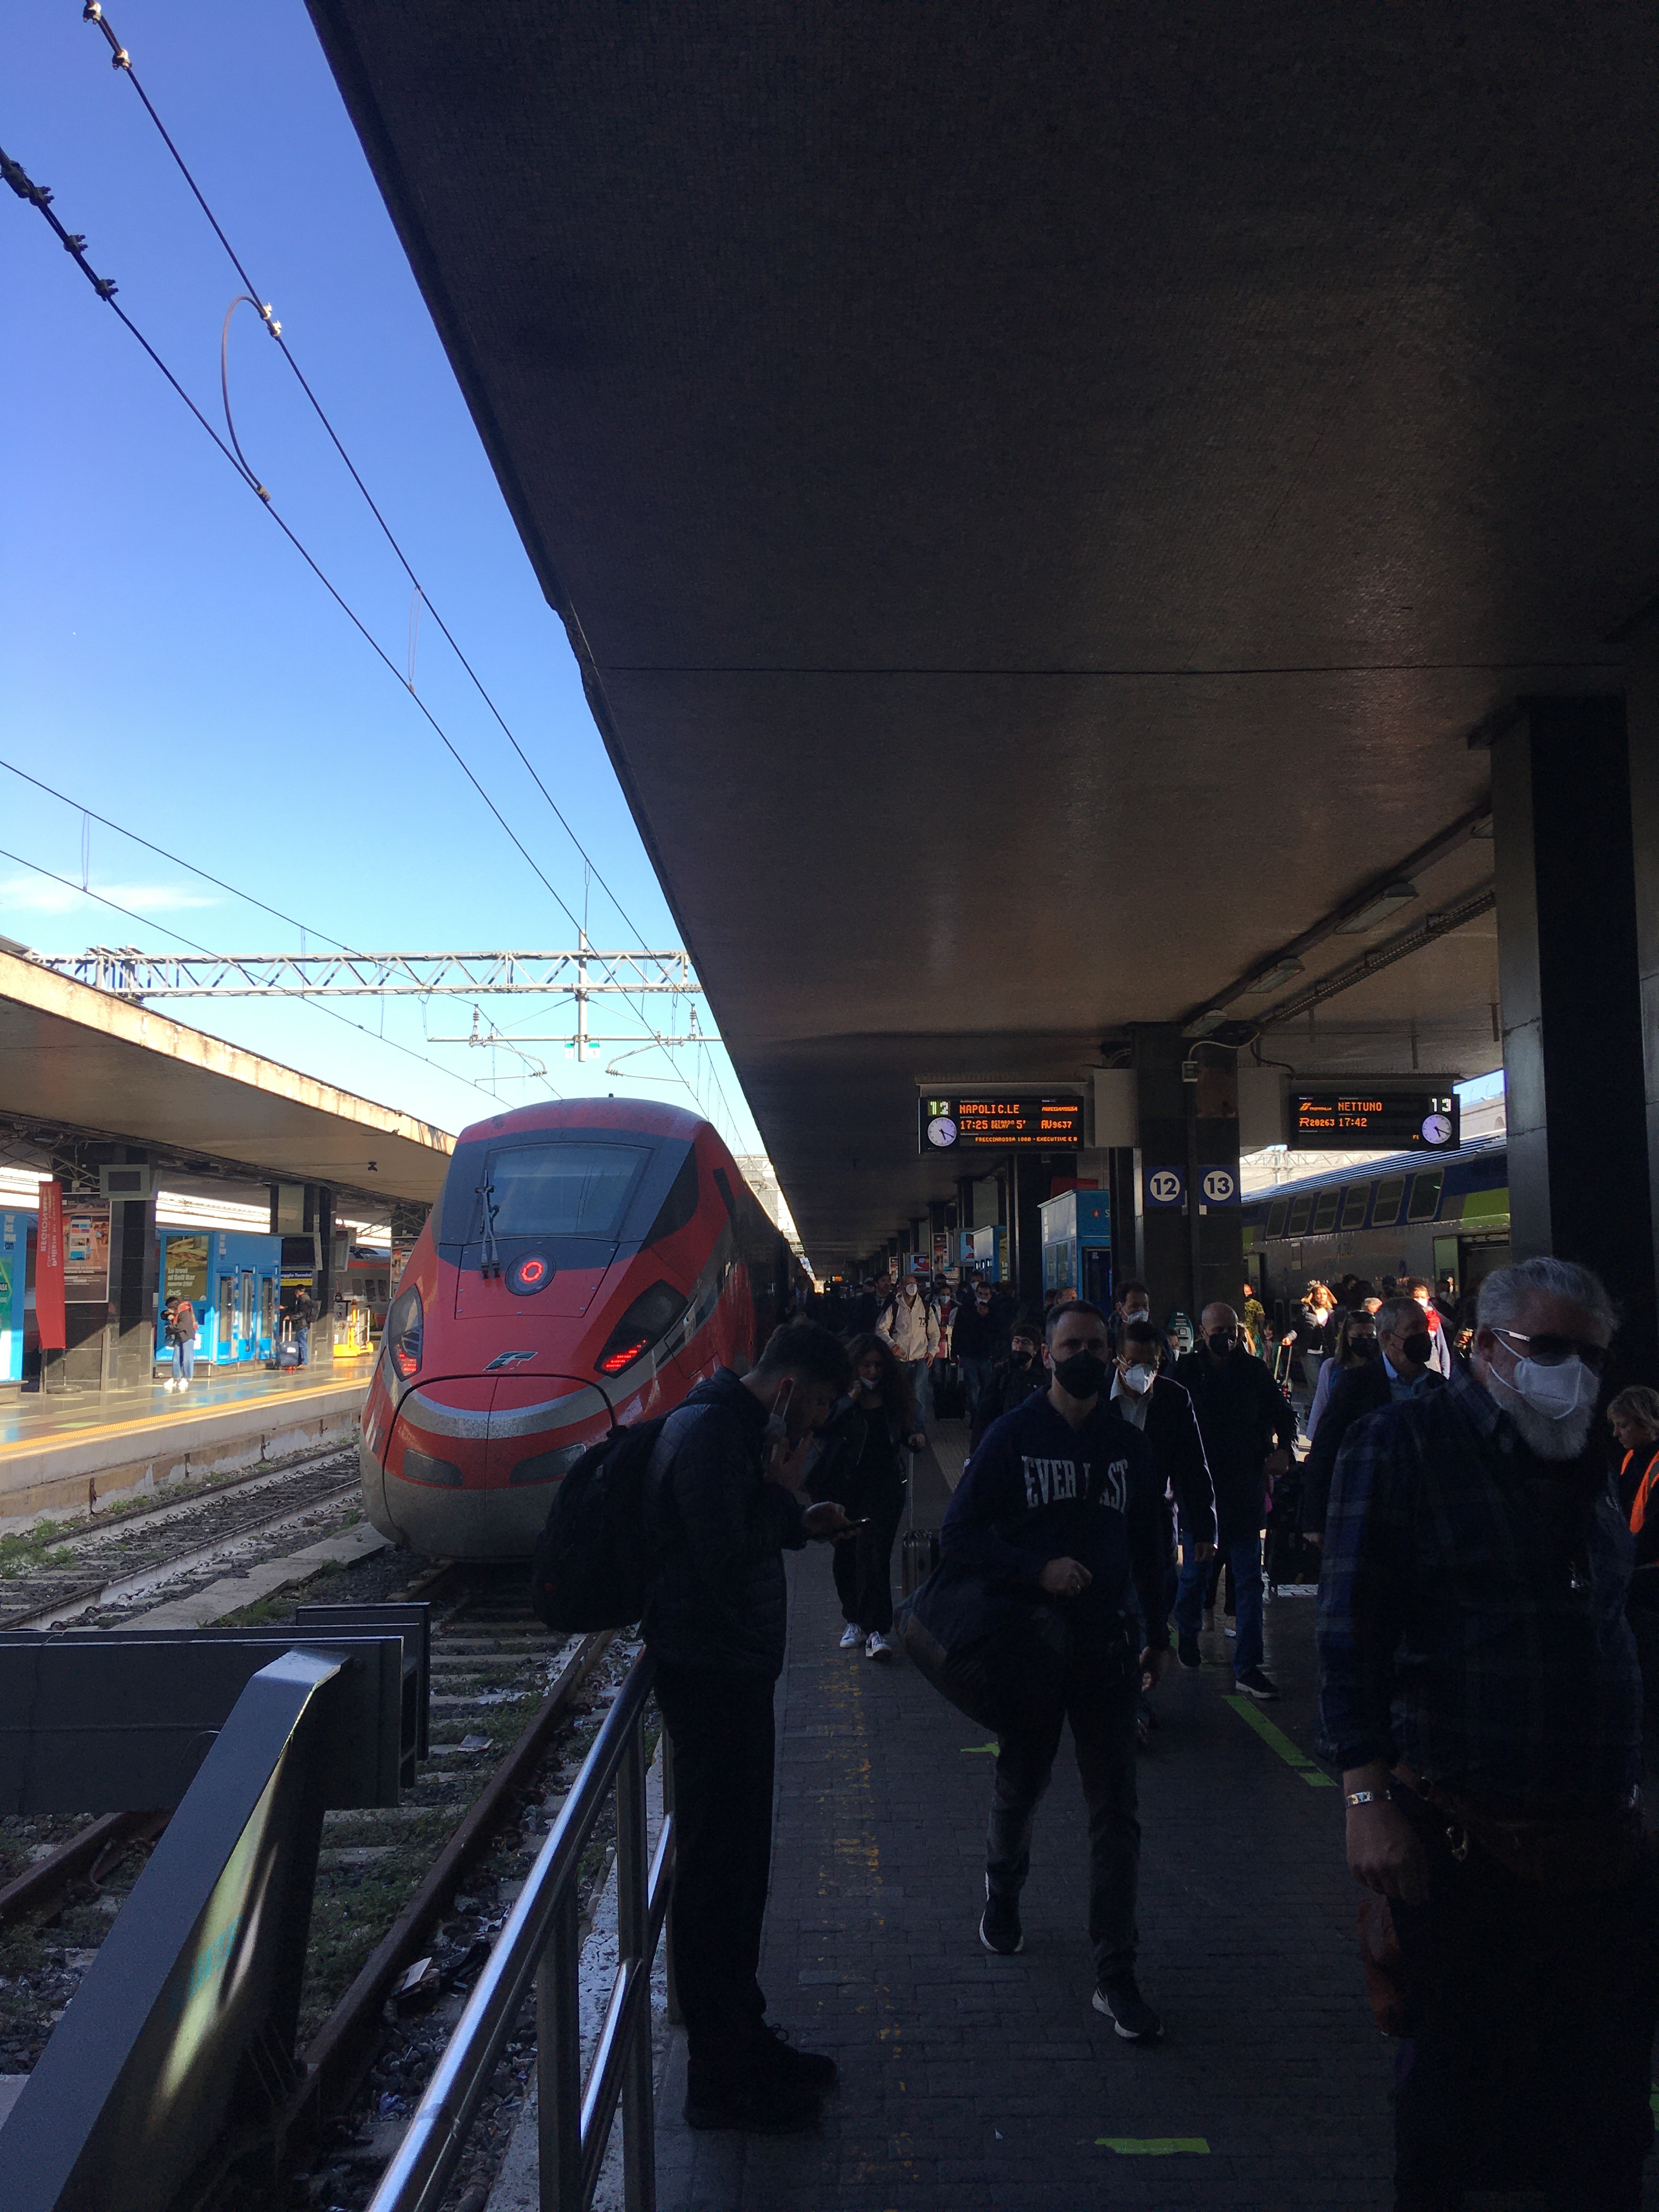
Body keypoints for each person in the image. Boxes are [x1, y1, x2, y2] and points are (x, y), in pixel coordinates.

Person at [1317, 1256, 1656, 2211]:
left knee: (1602, 2116)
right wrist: (1363, 1798)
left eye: (1586, 1355)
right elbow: (1349, 1635)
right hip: (1461, 1841)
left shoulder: (1588, 1460)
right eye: (1545, 1348)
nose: (1570, 1372)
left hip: (1597, 1846)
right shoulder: (1400, 1444)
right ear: (1480, 1349)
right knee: (1453, 2111)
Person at [642, 1321, 855, 2132]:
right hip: (710, 1678)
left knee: (740, 1872)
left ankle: (744, 2038)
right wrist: (786, 1499)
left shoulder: (728, 1429)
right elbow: (719, 1553)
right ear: (791, 1389)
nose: (816, 1426)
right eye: (822, 1406)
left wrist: (793, 1511)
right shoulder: (711, 1434)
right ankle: (717, 2078)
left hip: (732, 1673)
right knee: (716, 1874)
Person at [941, 1299, 1173, 2041]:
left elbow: (1149, 1545)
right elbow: (959, 1535)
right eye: (1070, 1345)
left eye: (1096, 1346)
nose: (1085, 1357)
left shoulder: (1128, 1448)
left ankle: (1116, 1971)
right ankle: (1002, 1892)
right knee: (1023, 1780)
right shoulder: (1012, 1438)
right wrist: (1033, 1569)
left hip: (1107, 1646)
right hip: (1030, 1648)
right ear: (1046, 1354)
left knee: (1117, 1811)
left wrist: (1158, 1633)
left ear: (1113, 1355)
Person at [1170, 1304, 1297, 1699]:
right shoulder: (1187, 1373)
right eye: (1218, 1330)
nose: (1227, 1336)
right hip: (1200, 1489)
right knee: (1194, 1575)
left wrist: (1284, 1453)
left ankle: (1248, 1665)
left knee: (1247, 1580)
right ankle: (1187, 1634)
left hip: (1243, 1486)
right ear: (1203, 1335)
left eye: (1231, 1328)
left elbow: (1282, 1413)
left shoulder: (1254, 1371)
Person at [1113, 1318, 1217, 1686]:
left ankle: (1136, 1692)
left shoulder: (1173, 1398)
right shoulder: (1094, 1397)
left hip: (1156, 1519)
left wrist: (1204, 1528)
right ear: (1118, 1361)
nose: (1142, 1373)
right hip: (1106, 1520)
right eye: (1134, 1363)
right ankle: (1131, 1703)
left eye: (1151, 1366)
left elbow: (1192, 1465)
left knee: (1153, 1603)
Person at [811, 1333, 924, 1660]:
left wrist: (915, 1436)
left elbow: (910, 1425)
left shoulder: (894, 1397)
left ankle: (877, 1628)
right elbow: (822, 1427)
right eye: (866, 1366)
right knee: (846, 1553)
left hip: (885, 1486)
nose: (872, 1372)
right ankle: (854, 1620)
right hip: (844, 1486)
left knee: (874, 1553)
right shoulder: (838, 1396)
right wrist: (849, 1399)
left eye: (877, 1366)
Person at [1301, 1297, 1443, 1545]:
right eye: (1412, 1330)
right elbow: (1326, 1447)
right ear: (1388, 1337)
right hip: (1376, 1512)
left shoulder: (1438, 1387)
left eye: (1424, 1329)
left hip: (1431, 1514)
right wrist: (1315, 1519)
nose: (1422, 1337)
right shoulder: (1356, 1384)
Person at [1611, 1385, 1659, 1777]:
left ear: (1646, 1424)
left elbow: (1654, 1532)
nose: (1617, 1434)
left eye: (1624, 1426)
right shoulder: (1632, 1458)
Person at [969, 1314, 1047, 1449]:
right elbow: (985, 1413)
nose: (1019, 1347)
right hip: (1007, 1439)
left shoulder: (1044, 1377)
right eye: (1016, 1342)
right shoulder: (1002, 1374)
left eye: (1026, 1343)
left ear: (1036, 1349)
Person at [876, 1273, 940, 1427]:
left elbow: (934, 1333)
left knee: (918, 1396)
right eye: (908, 1284)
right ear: (902, 1287)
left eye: (914, 1284)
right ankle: (899, 1426)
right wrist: (892, 1345)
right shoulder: (895, 1307)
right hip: (900, 1360)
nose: (912, 1287)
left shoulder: (925, 1308)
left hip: (920, 1359)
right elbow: (880, 1329)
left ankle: (918, 1429)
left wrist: (932, 1351)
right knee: (898, 1394)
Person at [948, 1277, 1003, 1429]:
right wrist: (954, 1352)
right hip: (969, 1353)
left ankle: (985, 1415)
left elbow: (998, 1331)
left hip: (987, 1355)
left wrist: (986, 1317)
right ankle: (976, 1416)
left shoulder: (995, 1310)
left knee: (987, 1387)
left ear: (990, 1296)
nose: (983, 1297)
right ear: (975, 1293)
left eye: (986, 1294)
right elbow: (958, 1331)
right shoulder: (966, 1309)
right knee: (973, 1387)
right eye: (980, 1293)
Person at [1406, 1277, 1454, 1378]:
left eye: (1423, 1297)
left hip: (1433, 1370)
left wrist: (1445, 1375)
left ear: (1428, 1298)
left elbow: (1442, 1348)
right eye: (1416, 1297)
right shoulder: (1404, 1320)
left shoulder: (1434, 1319)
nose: (1419, 1300)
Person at [163, 1294, 198, 1393]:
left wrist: (169, 1328)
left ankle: (187, 1378)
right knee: (176, 1357)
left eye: (169, 1308)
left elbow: (183, 1326)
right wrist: (168, 1315)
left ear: (173, 1307)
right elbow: (163, 1315)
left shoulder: (184, 1311)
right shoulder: (176, 1312)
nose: (169, 1310)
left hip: (187, 1336)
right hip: (179, 1336)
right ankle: (176, 1377)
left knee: (187, 1358)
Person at [290, 1283, 317, 1367]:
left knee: (302, 1343)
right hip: (302, 1325)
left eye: (296, 1291)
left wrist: (292, 1317)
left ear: (298, 1291)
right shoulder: (304, 1298)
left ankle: (304, 1362)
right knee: (298, 1343)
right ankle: (299, 1361)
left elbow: (302, 1313)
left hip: (302, 1325)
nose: (295, 1293)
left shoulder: (304, 1299)